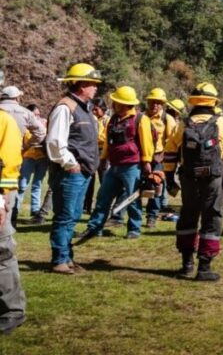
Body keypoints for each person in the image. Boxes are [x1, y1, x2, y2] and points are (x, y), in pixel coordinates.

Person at [162, 83, 223, 281]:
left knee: (188, 216)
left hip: (188, 177)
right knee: (212, 217)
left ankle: (186, 264)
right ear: (214, 102)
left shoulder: (183, 125)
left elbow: (170, 152)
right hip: (213, 177)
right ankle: (204, 267)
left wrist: (169, 177)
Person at [47, 63, 103, 274]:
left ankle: (67, 258)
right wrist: (71, 165)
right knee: (64, 216)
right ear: (81, 85)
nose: (96, 88)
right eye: (92, 84)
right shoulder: (65, 107)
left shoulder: (83, 107)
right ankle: (59, 259)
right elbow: (55, 141)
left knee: (73, 216)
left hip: (82, 172)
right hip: (70, 172)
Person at [81, 86, 156, 240]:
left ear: (123, 103)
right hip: (114, 166)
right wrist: (103, 158)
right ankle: (95, 228)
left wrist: (147, 162)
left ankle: (134, 229)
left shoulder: (141, 119)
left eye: (116, 101)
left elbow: (147, 142)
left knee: (132, 199)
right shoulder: (113, 119)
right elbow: (108, 142)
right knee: (103, 197)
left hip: (132, 166)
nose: (113, 104)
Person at [0, 71, 27, 333]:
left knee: (1, 251)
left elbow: (7, 165)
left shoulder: (4, 121)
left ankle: (12, 310)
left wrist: (0, 202)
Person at [0, 87, 47, 225]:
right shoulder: (25, 113)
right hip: (12, 156)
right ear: (17, 98)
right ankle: (10, 219)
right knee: (8, 188)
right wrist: (27, 144)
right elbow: (41, 132)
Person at [143, 88, 176, 227]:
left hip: (158, 158)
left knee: (156, 187)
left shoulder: (167, 119)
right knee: (135, 187)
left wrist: (164, 156)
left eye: (158, 102)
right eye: (152, 102)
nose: (155, 105)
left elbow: (173, 140)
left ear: (162, 104)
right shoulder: (141, 117)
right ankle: (121, 217)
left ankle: (152, 216)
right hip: (141, 157)